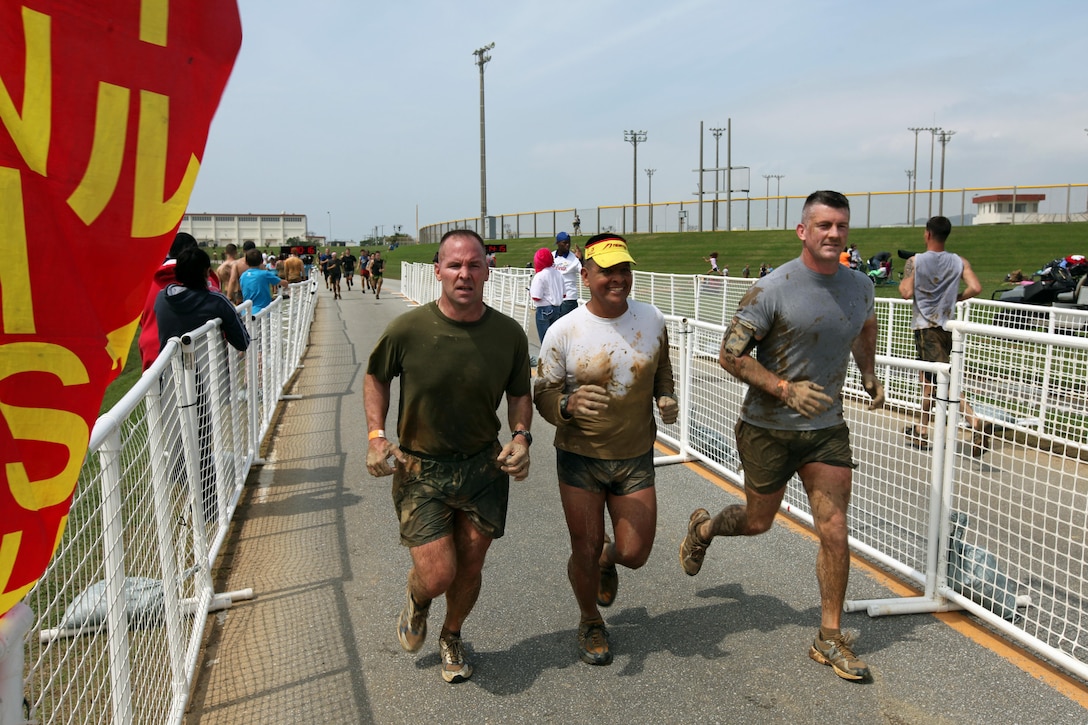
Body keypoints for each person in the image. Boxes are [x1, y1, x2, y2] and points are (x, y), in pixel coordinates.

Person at [678, 190, 885, 683]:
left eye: (841, 226)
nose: (833, 234)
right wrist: (785, 389)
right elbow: (729, 354)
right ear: (803, 231)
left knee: (834, 531)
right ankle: (703, 529)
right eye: (823, 226)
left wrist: (869, 374)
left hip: (825, 430)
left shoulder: (860, 287)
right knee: (756, 522)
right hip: (767, 429)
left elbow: (863, 328)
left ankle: (828, 636)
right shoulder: (773, 288)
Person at [364, 229, 532, 684]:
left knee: (471, 563)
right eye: (455, 265)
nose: (464, 273)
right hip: (422, 468)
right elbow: (376, 378)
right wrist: (377, 435)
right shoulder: (409, 329)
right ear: (438, 270)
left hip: (482, 466)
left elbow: (520, 394)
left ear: (487, 271)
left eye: (474, 264)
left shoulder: (508, 334)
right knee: (438, 573)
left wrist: (520, 436)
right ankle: (419, 599)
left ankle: (451, 633)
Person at [534, 233, 678, 667]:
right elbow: (542, 393)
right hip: (580, 457)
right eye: (607, 272)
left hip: (634, 454)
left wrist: (665, 396)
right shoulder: (565, 330)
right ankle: (589, 619)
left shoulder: (651, 318)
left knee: (635, 552)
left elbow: (661, 366)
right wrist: (566, 404)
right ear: (586, 275)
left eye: (624, 270)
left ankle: (606, 559)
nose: (618, 279)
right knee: (583, 544)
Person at [155, 246, 250, 522]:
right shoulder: (215, 301)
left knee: (179, 442)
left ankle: (191, 497)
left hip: (168, 383)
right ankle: (208, 506)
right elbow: (241, 339)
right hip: (203, 381)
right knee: (203, 442)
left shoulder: (162, 298)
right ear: (205, 273)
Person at [899, 215, 987, 454]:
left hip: (925, 327)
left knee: (942, 380)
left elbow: (905, 292)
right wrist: (958, 297)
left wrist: (913, 277)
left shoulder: (915, 261)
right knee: (927, 382)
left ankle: (974, 421)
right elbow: (976, 288)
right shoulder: (959, 261)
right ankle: (922, 429)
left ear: (927, 234)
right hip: (948, 326)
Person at [138, 232, 221, 370]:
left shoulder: (146, 281)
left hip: (154, 350)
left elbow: (142, 317)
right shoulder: (206, 278)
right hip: (197, 354)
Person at [529, 247, 565, 345]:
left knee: (545, 341)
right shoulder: (558, 274)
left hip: (544, 309)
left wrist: (530, 292)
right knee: (555, 339)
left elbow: (536, 296)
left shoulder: (540, 275)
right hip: (557, 308)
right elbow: (564, 294)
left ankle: (546, 359)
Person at [239, 248, 288, 314]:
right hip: (262, 312)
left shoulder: (243, 276)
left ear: (246, 262)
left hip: (245, 311)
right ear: (262, 261)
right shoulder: (265, 274)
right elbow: (283, 283)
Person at [552, 231, 582, 317]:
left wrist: (581, 259)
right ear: (558, 243)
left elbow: (584, 271)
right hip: (554, 298)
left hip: (569, 299)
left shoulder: (574, 258)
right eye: (564, 243)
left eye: (569, 242)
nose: (567, 245)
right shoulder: (552, 256)